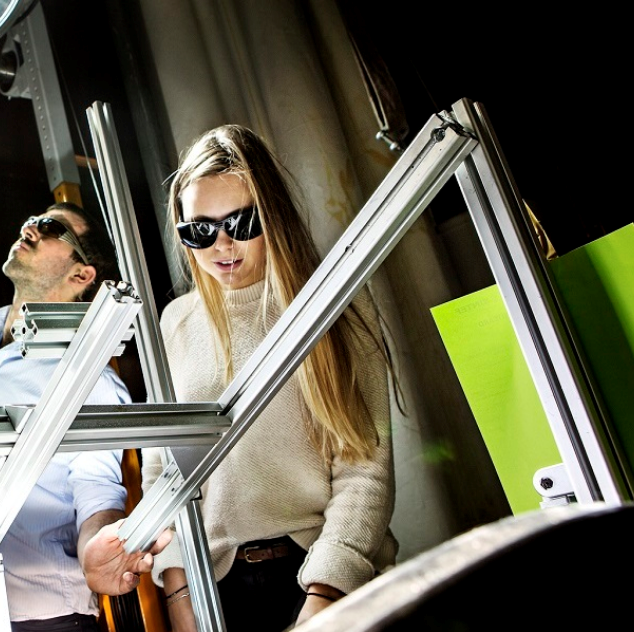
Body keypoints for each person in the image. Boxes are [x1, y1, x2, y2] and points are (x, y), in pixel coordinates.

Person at [84, 124, 398, 631]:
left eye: (242, 221)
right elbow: (168, 476)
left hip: (322, 572)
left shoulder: (334, 302)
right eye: (200, 230)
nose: (222, 244)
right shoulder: (177, 322)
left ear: (272, 213)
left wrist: (326, 593)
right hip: (218, 592)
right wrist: (180, 595)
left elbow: (366, 468)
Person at [0, 202, 147, 632]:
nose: (30, 226)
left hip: (46, 616)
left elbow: (98, 492)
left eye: (50, 226)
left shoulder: (87, 378)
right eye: (33, 218)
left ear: (81, 275)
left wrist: (101, 544)